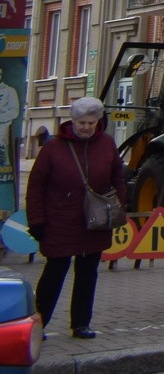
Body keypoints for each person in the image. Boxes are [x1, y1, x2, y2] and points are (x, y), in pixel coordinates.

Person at [24, 96, 130, 339]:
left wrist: (117, 207)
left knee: (87, 273)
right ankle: (38, 325)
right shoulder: (53, 147)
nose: (86, 127)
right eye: (82, 123)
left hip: (95, 220)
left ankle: (81, 324)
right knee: (54, 273)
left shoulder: (106, 143)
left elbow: (118, 177)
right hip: (59, 221)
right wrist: (36, 221)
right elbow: (36, 186)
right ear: (72, 121)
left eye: (91, 123)